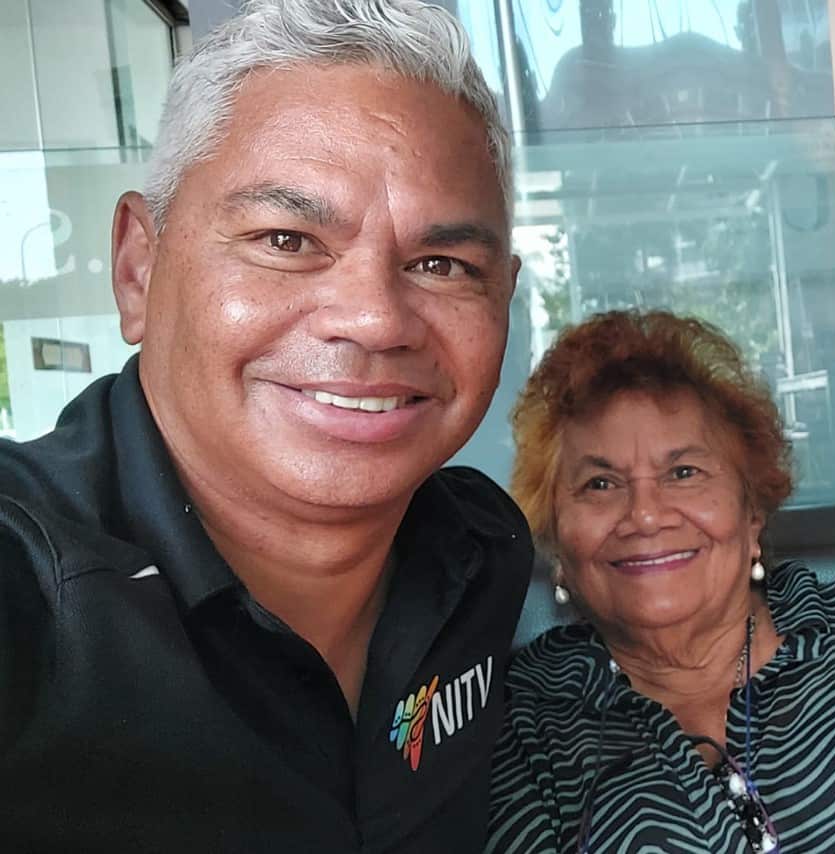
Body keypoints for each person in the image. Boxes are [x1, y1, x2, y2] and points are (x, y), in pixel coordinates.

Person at [0, 1, 533, 851]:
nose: (373, 319)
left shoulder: (480, 553)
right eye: (286, 239)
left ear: (503, 298)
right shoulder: (31, 592)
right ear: (139, 267)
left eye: (440, 265)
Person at [486, 310, 835, 853]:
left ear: (752, 515)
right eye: (600, 483)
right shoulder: (524, 722)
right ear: (557, 540)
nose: (647, 515)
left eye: (684, 472)